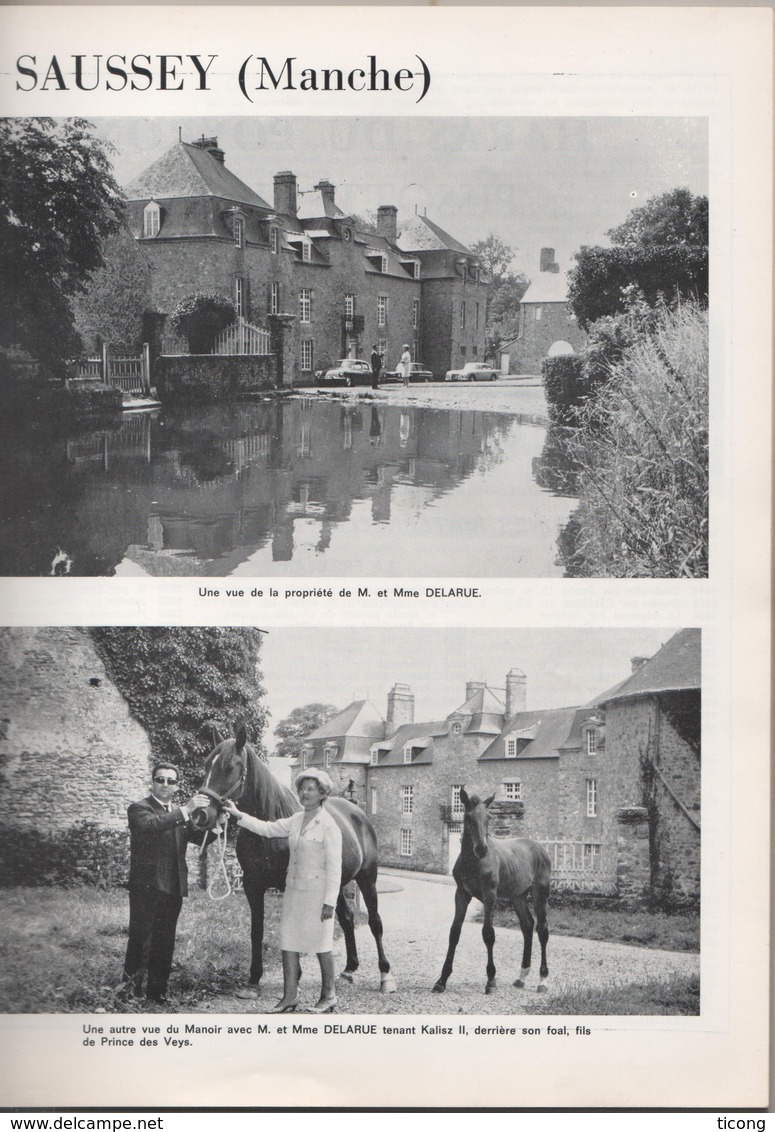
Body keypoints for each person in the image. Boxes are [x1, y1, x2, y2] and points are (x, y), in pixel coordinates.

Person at [223, 768, 343, 1014]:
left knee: (321, 944)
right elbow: (267, 828)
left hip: (318, 893)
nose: (304, 793)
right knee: (288, 942)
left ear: (322, 794)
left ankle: (329, 995)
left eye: (310, 789)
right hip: (295, 890)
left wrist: (330, 902)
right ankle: (289, 996)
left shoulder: (329, 825)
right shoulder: (297, 819)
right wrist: (238, 815)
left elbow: (335, 868)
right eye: (301, 788)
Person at [121, 763, 210, 1005]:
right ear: (152, 782)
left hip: (173, 886)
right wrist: (186, 810)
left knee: (165, 940)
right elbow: (151, 827)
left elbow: (199, 836)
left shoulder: (178, 815)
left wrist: (218, 822)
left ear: (177, 786)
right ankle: (129, 992)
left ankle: (156, 994)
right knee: (141, 938)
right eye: (160, 780)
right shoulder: (139, 809)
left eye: (171, 781)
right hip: (146, 886)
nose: (165, 785)